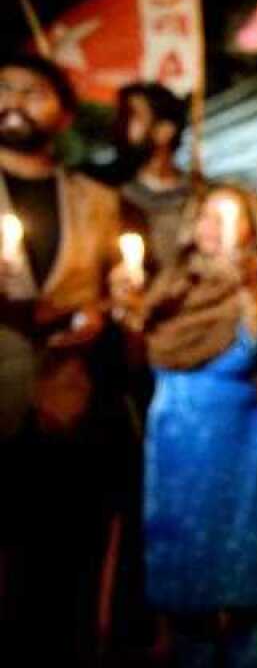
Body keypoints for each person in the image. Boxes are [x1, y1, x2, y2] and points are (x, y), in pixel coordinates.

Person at [116, 185, 257, 667]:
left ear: (253, 228)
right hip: (174, 456)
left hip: (236, 454)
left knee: (244, 585)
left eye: (227, 217)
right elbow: (143, 355)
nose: (212, 227)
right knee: (187, 594)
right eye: (206, 215)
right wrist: (127, 306)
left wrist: (249, 290)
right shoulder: (172, 285)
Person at [0, 52, 124, 665]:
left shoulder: (97, 200)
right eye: (4, 89)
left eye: (32, 91)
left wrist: (102, 312)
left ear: (65, 113)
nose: (15, 101)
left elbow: (117, 286)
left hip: (70, 402)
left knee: (67, 559)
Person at [114, 82, 196, 271]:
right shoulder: (114, 198)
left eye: (134, 116)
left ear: (164, 131)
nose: (124, 126)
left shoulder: (199, 194)